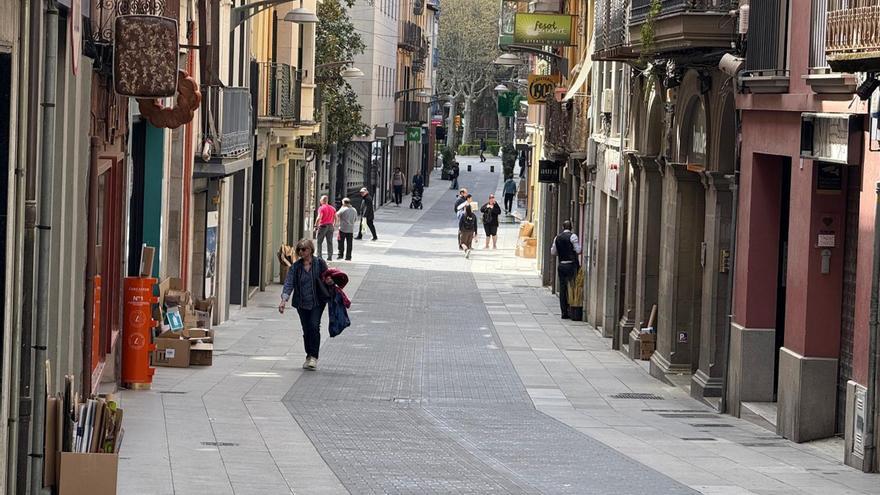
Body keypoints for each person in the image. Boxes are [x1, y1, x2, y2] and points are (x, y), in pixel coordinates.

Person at [278, 239, 334, 370]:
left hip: (317, 302)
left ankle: (314, 357)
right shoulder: (296, 267)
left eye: (304, 249)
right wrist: (283, 300)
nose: (301, 252)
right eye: (299, 250)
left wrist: (330, 281)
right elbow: (289, 283)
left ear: (310, 250)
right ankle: (308, 355)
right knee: (306, 329)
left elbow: (327, 277)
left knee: (314, 326)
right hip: (301, 303)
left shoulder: (319, 263)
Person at [551, 220, 582, 319]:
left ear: (562, 227)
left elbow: (553, 252)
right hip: (571, 265)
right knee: (572, 288)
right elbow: (578, 250)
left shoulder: (557, 238)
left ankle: (564, 312)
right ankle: (571, 309)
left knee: (563, 288)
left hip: (561, 265)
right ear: (571, 227)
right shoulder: (573, 237)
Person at [314, 195, 336, 261]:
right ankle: (330, 256)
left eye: (320, 200)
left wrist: (316, 226)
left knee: (319, 242)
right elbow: (336, 218)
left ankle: (319, 256)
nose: (320, 201)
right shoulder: (332, 208)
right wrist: (333, 225)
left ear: (322, 201)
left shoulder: (321, 208)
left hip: (323, 226)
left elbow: (319, 218)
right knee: (329, 242)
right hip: (330, 226)